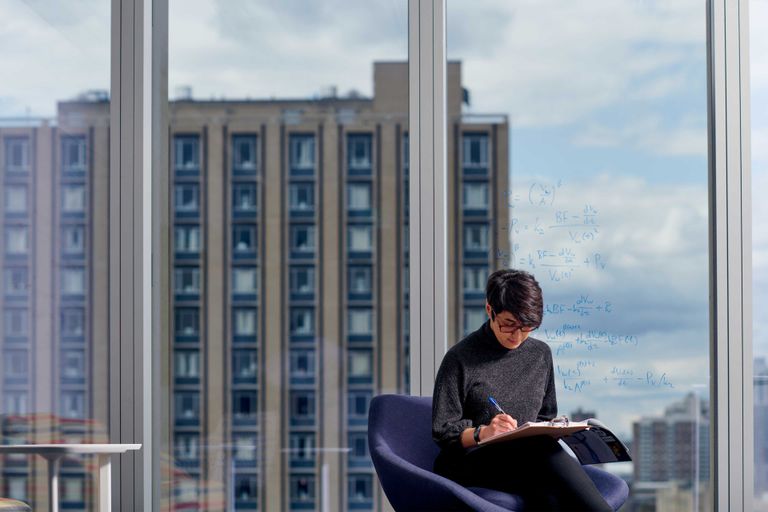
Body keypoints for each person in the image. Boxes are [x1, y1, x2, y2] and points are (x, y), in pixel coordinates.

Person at [432, 269, 612, 511]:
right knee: (543, 460)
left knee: (546, 489)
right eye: (509, 324)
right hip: (470, 461)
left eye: (527, 327)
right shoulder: (460, 358)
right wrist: (484, 432)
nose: (517, 335)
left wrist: (557, 428)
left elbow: (544, 417)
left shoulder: (540, 354)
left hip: (526, 458)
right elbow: (443, 431)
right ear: (490, 310)